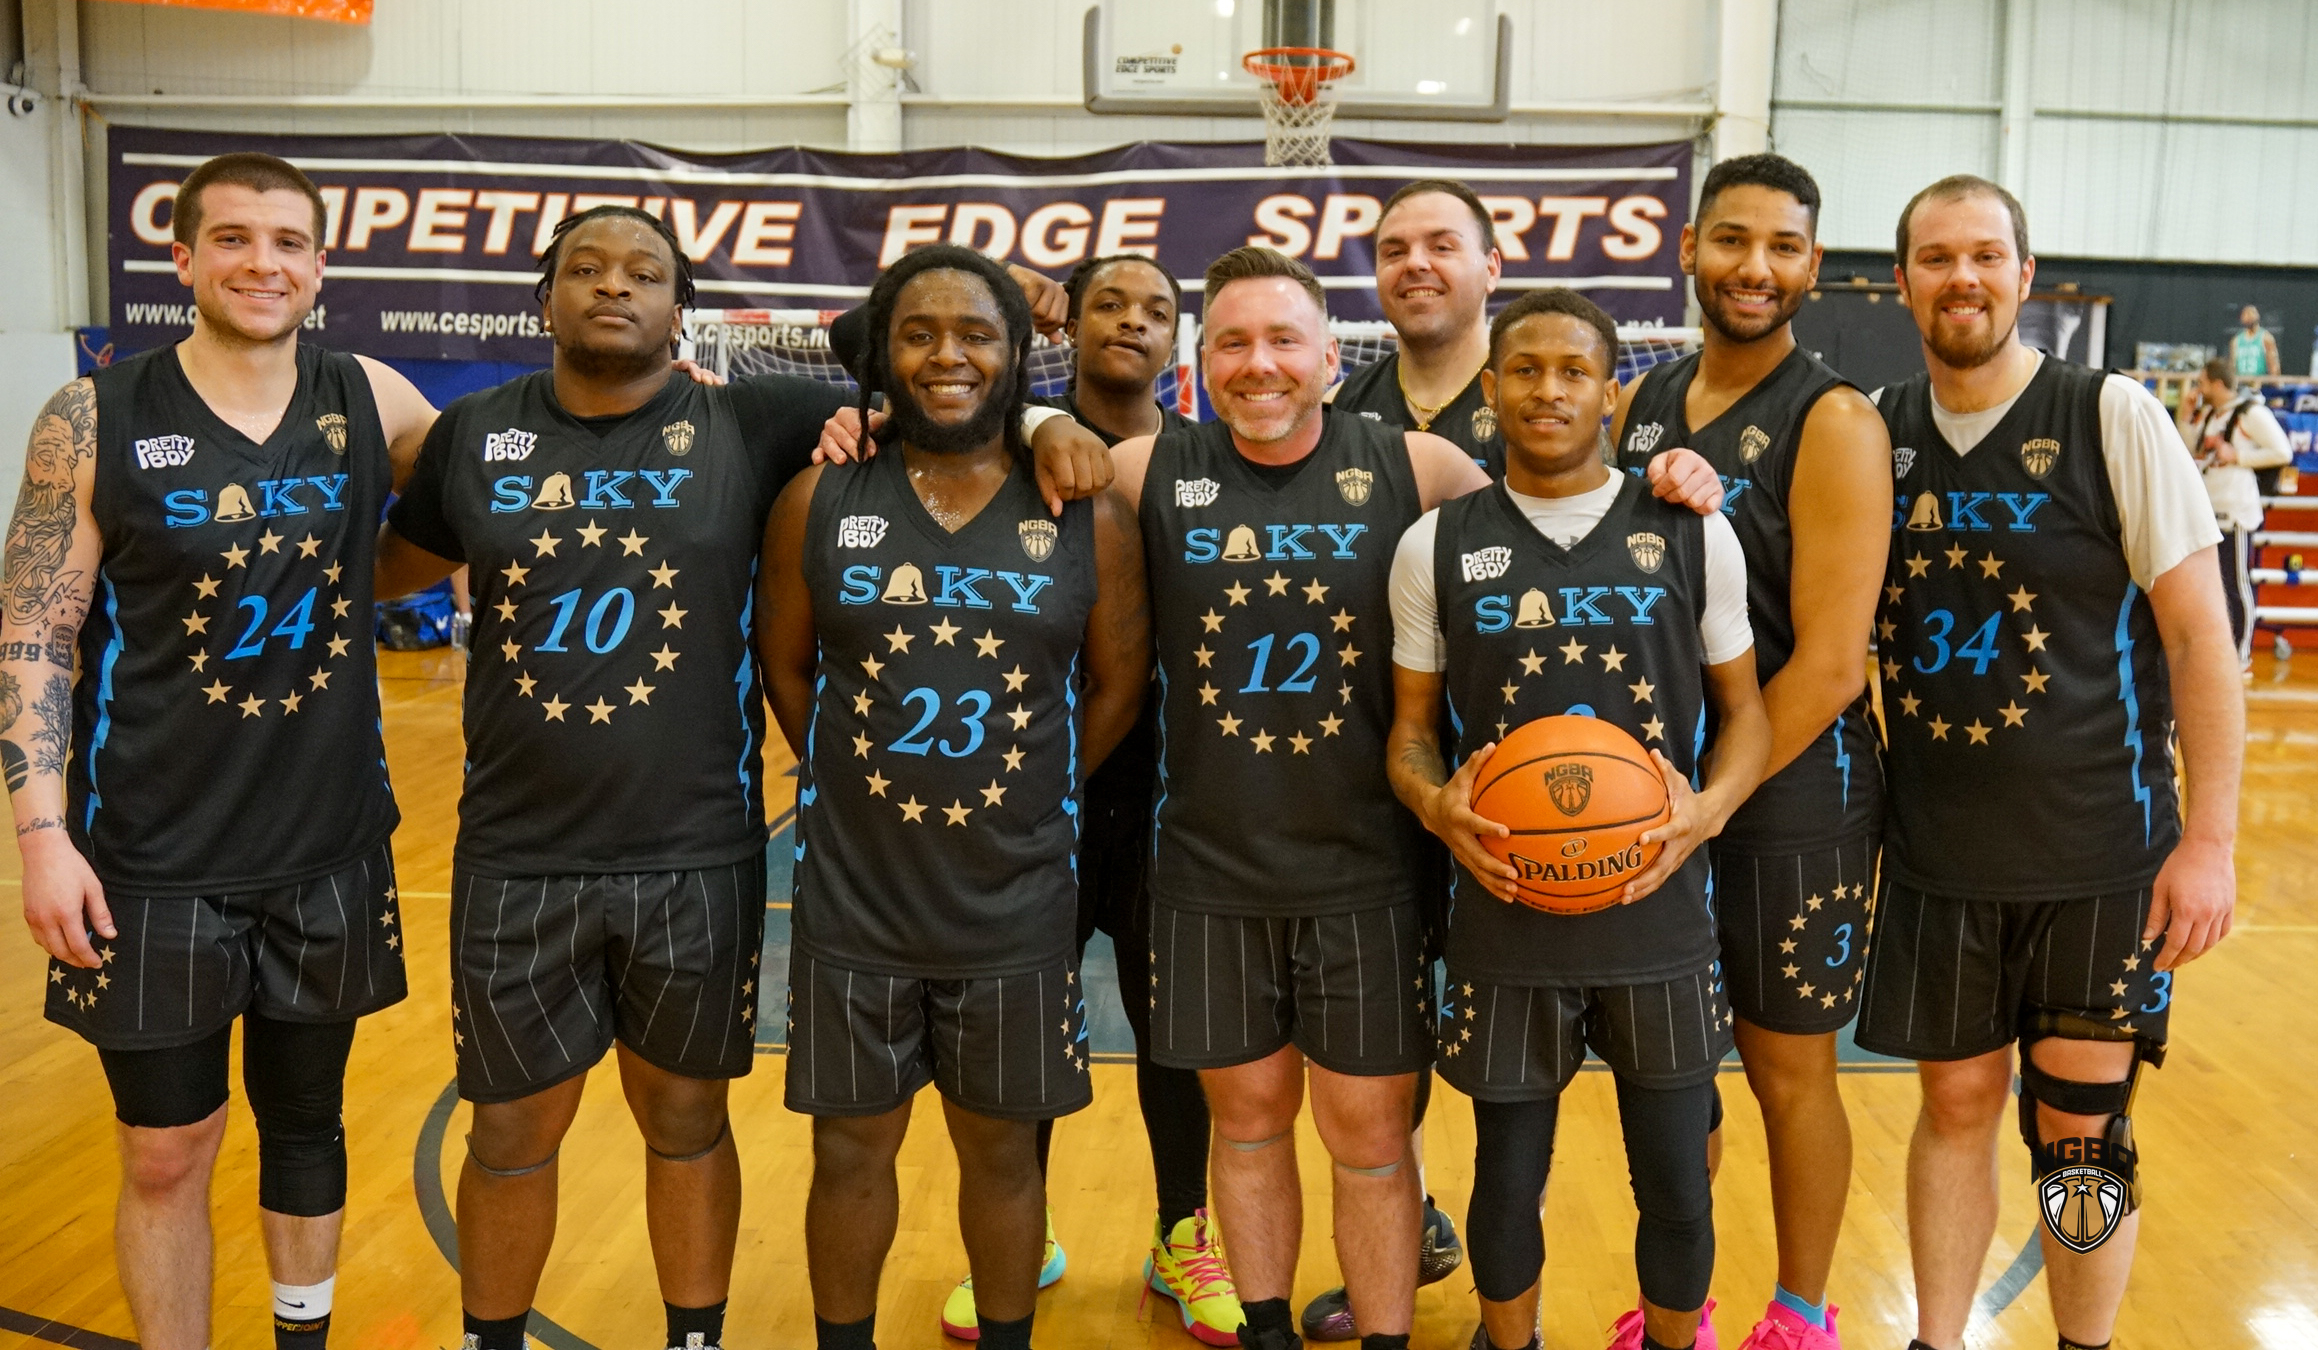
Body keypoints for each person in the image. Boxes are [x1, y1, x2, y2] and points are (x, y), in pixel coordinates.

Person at [375, 209, 1111, 1350]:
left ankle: (695, 1336)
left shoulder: (750, 418)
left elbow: (919, 372)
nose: (612, 289)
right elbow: (380, 568)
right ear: (542, 297)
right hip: (514, 852)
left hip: (697, 850)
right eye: (584, 269)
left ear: (685, 312)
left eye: (644, 274)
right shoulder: (475, 434)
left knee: (686, 1117)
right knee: (509, 1126)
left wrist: (1046, 400)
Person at [3, 152, 435, 1350]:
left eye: (289, 241)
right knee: (164, 1150)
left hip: (330, 846)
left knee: (309, 1126)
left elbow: (477, 500)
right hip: (148, 855)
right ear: (183, 258)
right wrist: (41, 838)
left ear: (320, 265)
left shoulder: (372, 397)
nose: (264, 263)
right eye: (234, 240)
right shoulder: (94, 416)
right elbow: (34, 633)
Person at [1866, 176, 2238, 1350]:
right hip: (1935, 857)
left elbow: (2197, 638)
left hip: (2099, 855)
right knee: (1954, 1106)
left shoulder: (2108, 413)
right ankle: (1937, 1339)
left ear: (2025, 277)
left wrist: (2209, 842)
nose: (1960, 279)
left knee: (2081, 1128)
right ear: (1901, 283)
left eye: (1984, 256)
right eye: (1935, 259)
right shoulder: (1872, 432)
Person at [757, 243, 1150, 1350]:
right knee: (849, 1152)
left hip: (1013, 894)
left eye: (976, 333)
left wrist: (1039, 786)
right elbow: (785, 664)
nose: (948, 355)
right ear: (880, 354)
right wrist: (845, 774)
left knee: (1001, 1149)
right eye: (918, 333)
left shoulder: (1083, 506)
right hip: (857, 894)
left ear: (1019, 354)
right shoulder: (821, 494)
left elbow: (1118, 681)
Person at [1106, 245, 1490, 1350]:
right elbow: (1017, 447)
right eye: (1230, 342)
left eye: (1283, 341)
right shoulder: (1147, 471)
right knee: (1247, 1121)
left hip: (1365, 870)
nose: (1257, 364)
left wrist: (1677, 483)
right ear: (1197, 364)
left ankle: (1382, 1340)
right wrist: (868, 423)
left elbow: (1568, 514)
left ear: (1331, 355)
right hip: (1208, 870)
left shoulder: (1417, 466)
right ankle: (1267, 1332)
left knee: (1370, 1135)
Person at [1387, 286, 1771, 1350]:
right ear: (1491, 389)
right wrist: (1433, 802)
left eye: (1571, 370)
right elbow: (1410, 730)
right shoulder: (1436, 543)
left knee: (1675, 1185)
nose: (1546, 390)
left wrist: (1703, 812)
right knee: (1505, 1183)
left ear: (1611, 390)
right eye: (1523, 369)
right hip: (1506, 910)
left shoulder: (1693, 533)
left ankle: (1667, 1341)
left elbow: (1745, 716)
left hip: (1656, 907)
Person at [1609, 153, 1892, 1350]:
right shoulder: (1647, 398)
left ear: (1810, 269)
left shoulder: (1831, 420)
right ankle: (1685, 1302)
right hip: (1672, 796)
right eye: (1730, 241)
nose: (1753, 268)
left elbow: (1829, 666)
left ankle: (1799, 1312)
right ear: (1688, 251)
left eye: (1781, 247)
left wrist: (1715, 797)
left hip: (1788, 800)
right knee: (1676, 1072)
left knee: (1787, 1072)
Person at [1296, 175, 1496, 1346]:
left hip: (1525, 780)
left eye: (1439, 245)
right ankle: (1413, 1219)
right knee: (1385, 1035)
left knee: (1514, 1055)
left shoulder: (1541, 384)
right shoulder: (1350, 403)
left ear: (1487, 266)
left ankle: (1511, 1277)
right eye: (1392, 248)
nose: (1414, 264)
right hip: (1379, 776)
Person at [2181, 356, 2293, 671]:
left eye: (2202, 382)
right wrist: (2186, 416)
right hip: (2206, 510)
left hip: (2235, 512)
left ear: (2218, 383)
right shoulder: (2209, 415)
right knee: (2208, 587)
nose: (2198, 388)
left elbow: (2282, 451)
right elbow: (2190, 454)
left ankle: (2241, 656)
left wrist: (2239, 455)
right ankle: (2215, 651)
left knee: (2236, 583)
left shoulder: (2251, 413)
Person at [2229, 304, 2280, 377]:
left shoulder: (2266, 338)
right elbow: (2232, 365)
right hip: (2241, 382)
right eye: (2245, 313)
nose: (2248, 316)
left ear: (2257, 315)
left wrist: (2275, 383)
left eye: (2251, 313)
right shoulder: (2236, 340)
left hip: (2260, 383)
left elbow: (2273, 365)